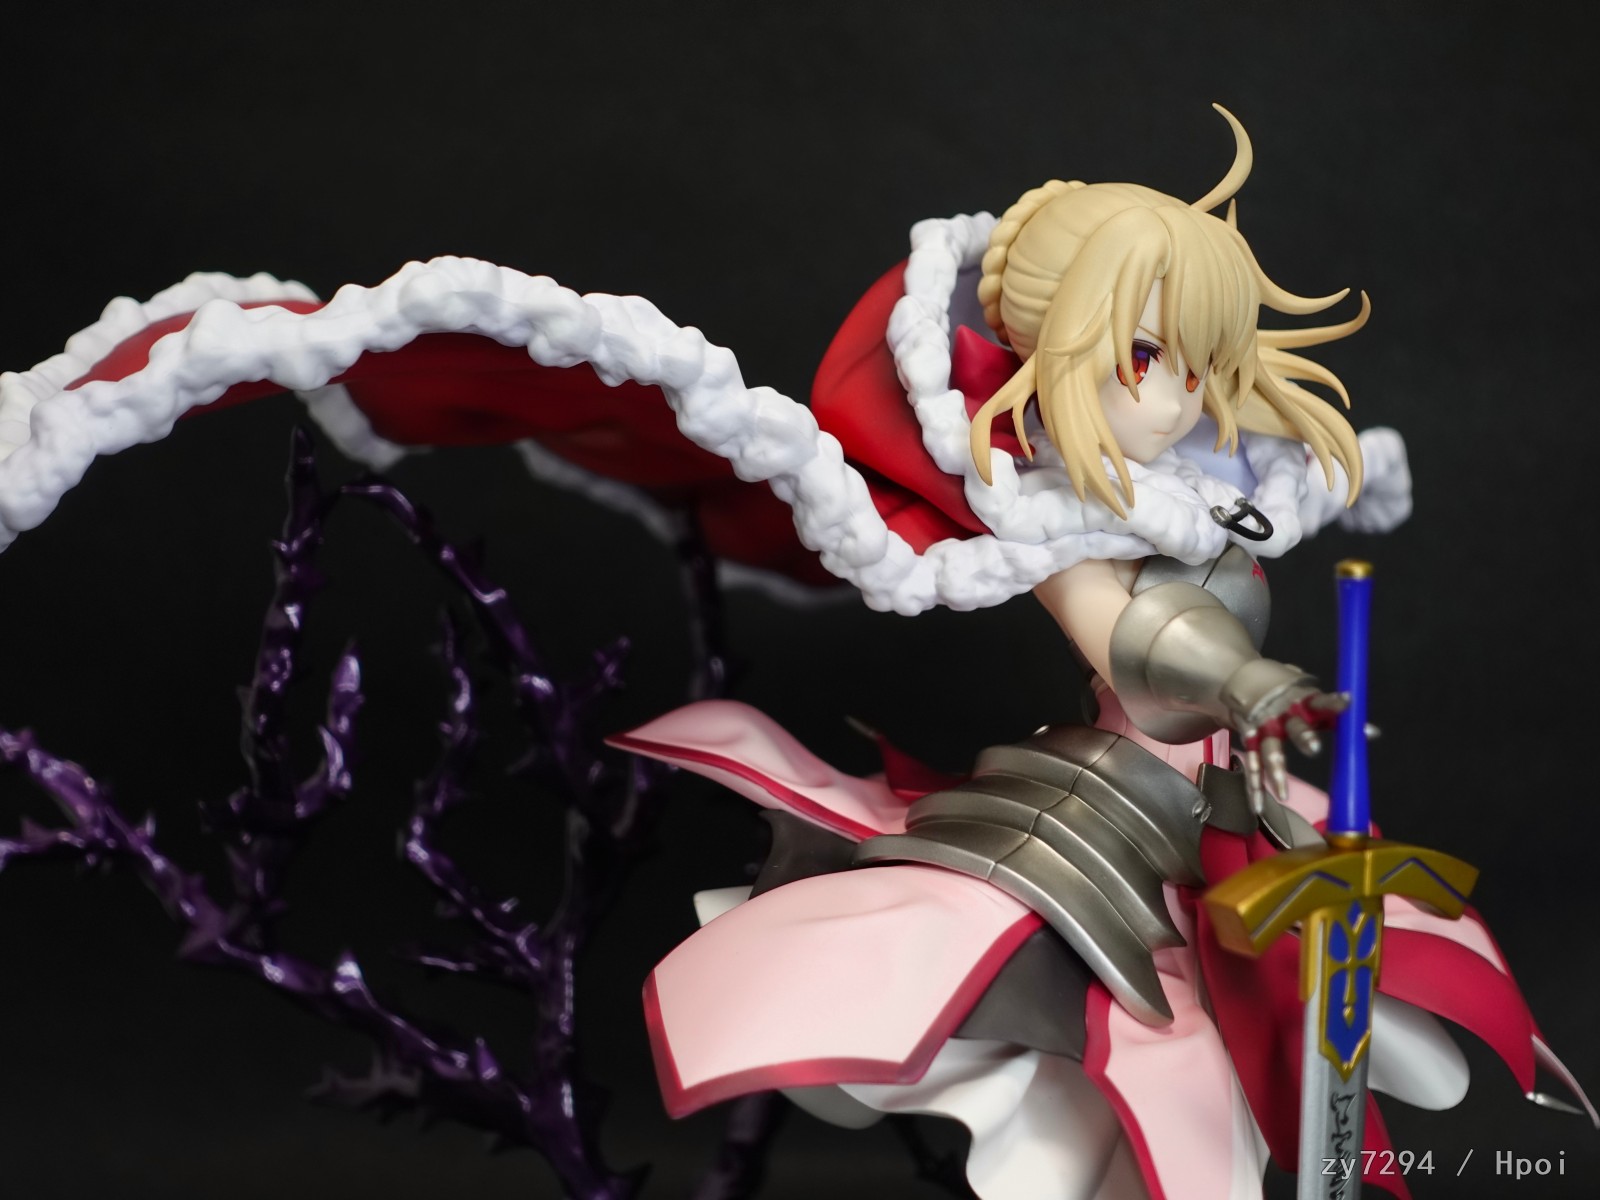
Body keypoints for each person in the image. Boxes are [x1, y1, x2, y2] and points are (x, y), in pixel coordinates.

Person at [0, 105, 1582, 1200]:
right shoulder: (1052, 526)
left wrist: (1266, 702)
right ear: (1045, 361)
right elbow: (1137, 634)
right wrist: (1247, 683)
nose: (1179, 394)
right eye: (1148, 355)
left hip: (1245, 809)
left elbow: (1222, 567)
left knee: (1325, 1037)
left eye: (1199, 358)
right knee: (1125, 1067)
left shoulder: (1218, 484)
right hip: (1117, 821)